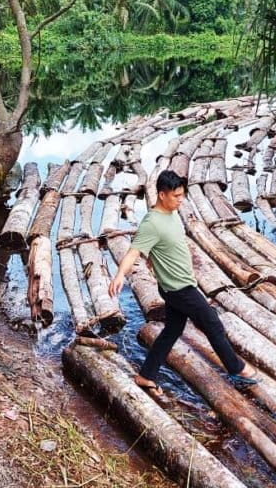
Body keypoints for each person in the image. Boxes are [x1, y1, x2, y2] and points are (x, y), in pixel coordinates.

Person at [108, 170, 258, 397]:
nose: (181, 200)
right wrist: (119, 276)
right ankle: (237, 369)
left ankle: (146, 375)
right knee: (212, 324)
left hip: (178, 285)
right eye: (176, 196)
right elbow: (133, 252)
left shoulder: (171, 213)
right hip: (179, 289)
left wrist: (155, 260)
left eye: (182, 195)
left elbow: (162, 247)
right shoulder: (152, 223)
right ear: (161, 195)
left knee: (172, 330)